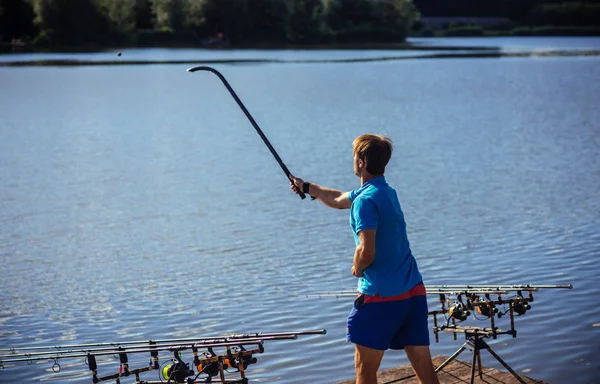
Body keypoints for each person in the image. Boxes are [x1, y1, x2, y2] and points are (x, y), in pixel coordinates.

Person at [290, 134, 439, 384]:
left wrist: (357, 267)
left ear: (360, 161)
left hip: (381, 297)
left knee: (365, 370)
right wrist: (308, 188)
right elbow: (338, 199)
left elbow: (366, 250)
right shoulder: (385, 192)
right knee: (423, 364)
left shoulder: (365, 201)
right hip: (413, 292)